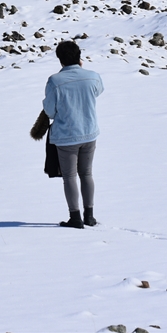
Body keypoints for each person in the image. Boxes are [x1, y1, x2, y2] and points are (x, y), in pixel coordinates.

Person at [43, 40, 103, 229]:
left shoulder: (55, 81)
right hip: (89, 132)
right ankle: (89, 216)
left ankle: (75, 217)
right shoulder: (93, 77)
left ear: (60, 59)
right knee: (87, 173)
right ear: (79, 56)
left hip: (66, 135)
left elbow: (50, 111)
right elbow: (98, 92)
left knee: (69, 176)